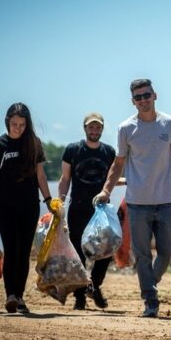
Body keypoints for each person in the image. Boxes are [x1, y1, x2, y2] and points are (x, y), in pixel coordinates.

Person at [93, 79, 171, 318]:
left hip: (165, 201)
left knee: (167, 250)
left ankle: (150, 282)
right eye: (138, 97)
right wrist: (106, 190)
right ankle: (150, 300)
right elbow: (118, 164)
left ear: (154, 95)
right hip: (137, 203)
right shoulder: (126, 128)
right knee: (142, 254)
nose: (143, 100)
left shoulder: (169, 123)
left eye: (146, 95)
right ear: (133, 101)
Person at [0, 103, 55, 314]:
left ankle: (19, 297)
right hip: (5, 206)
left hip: (30, 206)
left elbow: (40, 175)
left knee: (23, 252)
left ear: (27, 124)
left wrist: (49, 201)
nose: (18, 128)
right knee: (11, 249)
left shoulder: (34, 143)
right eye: (14, 124)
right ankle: (11, 294)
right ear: (7, 122)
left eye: (22, 124)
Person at [58, 112, 119, 311]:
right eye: (91, 127)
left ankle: (94, 285)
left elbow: (113, 178)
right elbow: (65, 178)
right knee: (78, 254)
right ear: (85, 128)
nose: (95, 130)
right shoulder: (73, 150)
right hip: (78, 208)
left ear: (102, 129)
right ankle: (80, 297)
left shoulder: (109, 152)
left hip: (101, 210)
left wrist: (138, 184)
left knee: (106, 251)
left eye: (98, 127)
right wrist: (60, 204)